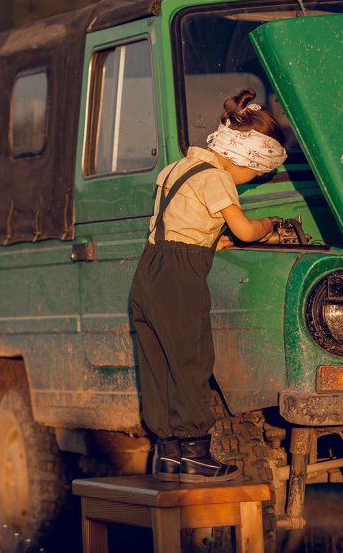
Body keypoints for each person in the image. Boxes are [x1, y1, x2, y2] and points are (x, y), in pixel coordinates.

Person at [131, 88, 288, 483]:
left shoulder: (174, 168)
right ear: (244, 155)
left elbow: (177, 230)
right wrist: (268, 226)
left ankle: (168, 455)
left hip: (149, 271)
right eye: (254, 175)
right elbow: (246, 230)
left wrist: (212, 242)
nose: (251, 182)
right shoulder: (217, 178)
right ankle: (198, 454)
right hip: (179, 280)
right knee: (191, 361)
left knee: (159, 365)